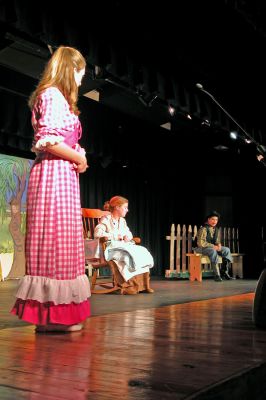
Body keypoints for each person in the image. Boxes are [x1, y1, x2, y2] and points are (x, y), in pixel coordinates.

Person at [11, 46, 91, 332]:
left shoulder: (58, 99)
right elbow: (49, 141)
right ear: (70, 70)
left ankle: (54, 317)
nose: (82, 80)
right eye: (80, 73)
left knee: (62, 244)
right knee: (53, 244)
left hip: (61, 175)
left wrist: (78, 156)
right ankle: (51, 317)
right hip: (53, 178)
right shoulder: (52, 96)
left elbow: (62, 142)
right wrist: (79, 157)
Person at [94, 196, 154, 294]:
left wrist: (127, 236)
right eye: (125, 207)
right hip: (110, 249)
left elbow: (128, 233)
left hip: (121, 246)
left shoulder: (122, 221)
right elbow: (97, 234)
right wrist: (115, 236)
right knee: (127, 256)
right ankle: (128, 286)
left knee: (142, 251)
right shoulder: (106, 219)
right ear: (117, 207)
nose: (127, 210)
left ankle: (143, 284)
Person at [194, 211, 233, 282]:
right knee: (213, 251)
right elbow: (201, 243)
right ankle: (216, 275)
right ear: (208, 219)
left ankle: (224, 272)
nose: (215, 221)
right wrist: (213, 246)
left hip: (210, 248)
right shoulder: (203, 229)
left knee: (226, 250)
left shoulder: (216, 229)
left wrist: (219, 245)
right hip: (200, 248)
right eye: (213, 219)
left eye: (216, 220)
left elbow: (217, 241)